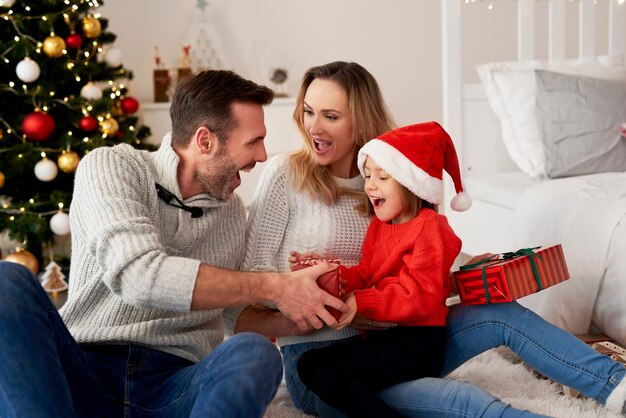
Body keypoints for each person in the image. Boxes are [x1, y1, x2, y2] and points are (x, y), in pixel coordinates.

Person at [229, 61, 626, 417]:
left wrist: (456, 275)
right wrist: (326, 302)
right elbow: (257, 282)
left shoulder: (397, 182)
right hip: (321, 360)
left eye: (330, 116)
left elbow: (415, 272)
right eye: (308, 112)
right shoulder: (286, 174)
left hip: (400, 341)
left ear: (361, 123)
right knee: (463, 401)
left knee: (501, 312)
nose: (313, 127)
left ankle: (615, 385)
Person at [0, 70, 348, 418]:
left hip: (176, 384)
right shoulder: (113, 167)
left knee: (256, 353)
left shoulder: (232, 214)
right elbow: (138, 275)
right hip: (86, 369)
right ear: (205, 141)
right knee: (7, 282)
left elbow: (233, 316)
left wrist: (307, 312)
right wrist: (278, 286)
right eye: (253, 141)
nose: (262, 155)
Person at [296, 122, 467, 418]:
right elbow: (365, 273)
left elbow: (419, 297)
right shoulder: (380, 226)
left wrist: (362, 301)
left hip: (419, 342)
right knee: (307, 364)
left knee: (330, 376)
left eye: (383, 176)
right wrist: (329, 273)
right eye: (369, 175)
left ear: (410, 184)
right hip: (386, 337)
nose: (370, 184)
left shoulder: (429, 228)